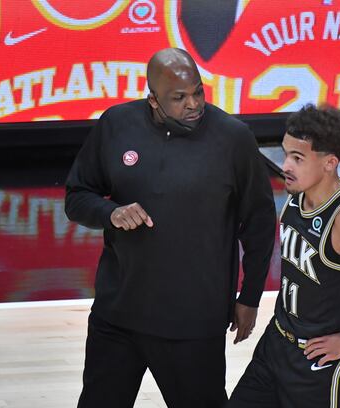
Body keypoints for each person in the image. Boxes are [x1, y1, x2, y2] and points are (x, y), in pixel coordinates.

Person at [64, 48, 276, 408]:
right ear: (153, 100)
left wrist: (250, 296)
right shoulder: (116, 124)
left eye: (198, 92)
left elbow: (259, 222)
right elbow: (77, 196)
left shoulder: (233, 138)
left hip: (193, 322)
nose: (193, 104)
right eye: (179, 98)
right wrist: (109, 213)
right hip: (118, 315)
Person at [228, 104, 340, 408]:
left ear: (329, 163)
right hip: (275, 347)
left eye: (297, 158)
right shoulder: (296, 197)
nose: (285, 165)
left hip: (320, 366)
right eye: (286, 153)